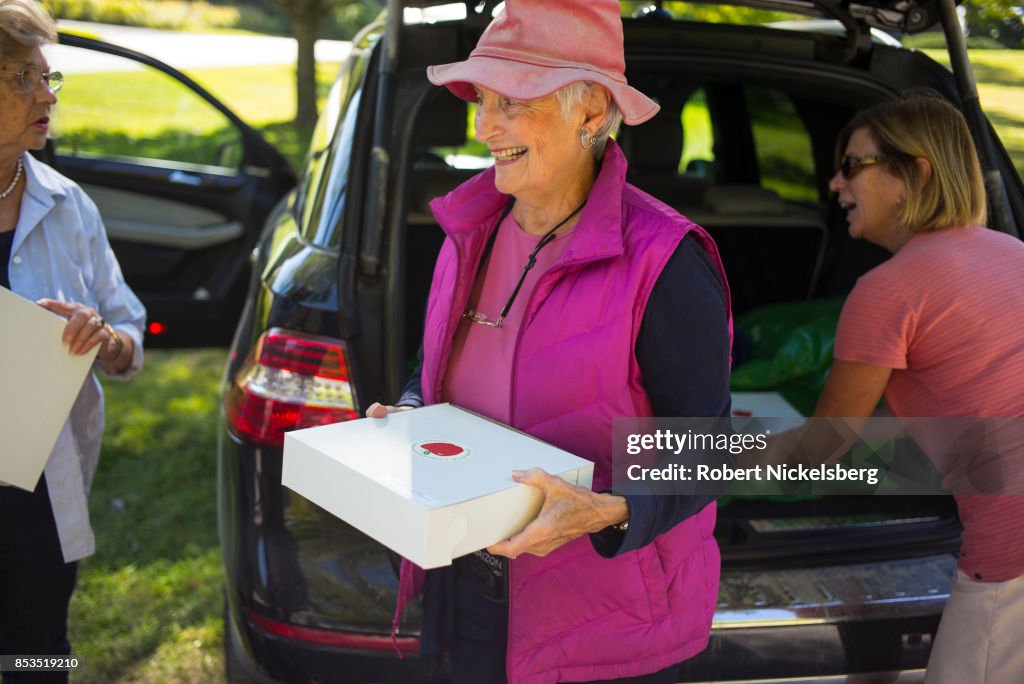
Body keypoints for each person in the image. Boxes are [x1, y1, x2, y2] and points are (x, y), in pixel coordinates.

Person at [366, 1, 732, 682]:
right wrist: (413, 412)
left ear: (592, 111)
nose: (483, 126)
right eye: (481, 99)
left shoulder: (666, 261)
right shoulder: (470, 227)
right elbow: (438, 368)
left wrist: (609, 508)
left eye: (511, 102)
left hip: (607, 628)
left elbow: (711, 449)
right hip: (465, 597)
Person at [815, 91, 1024, 683]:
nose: (835, 183)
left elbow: (818, 451)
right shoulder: (1013, 253)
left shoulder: (888, 289)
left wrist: (670, 459)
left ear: (914, 175)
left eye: (853, 165)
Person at [0, 1, 145, 679]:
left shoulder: (69, 205)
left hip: (37, 495)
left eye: (48, 79)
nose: (45, 97)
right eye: (22, 79)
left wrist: (105, 339)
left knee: (36, 653)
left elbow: (128, 330)